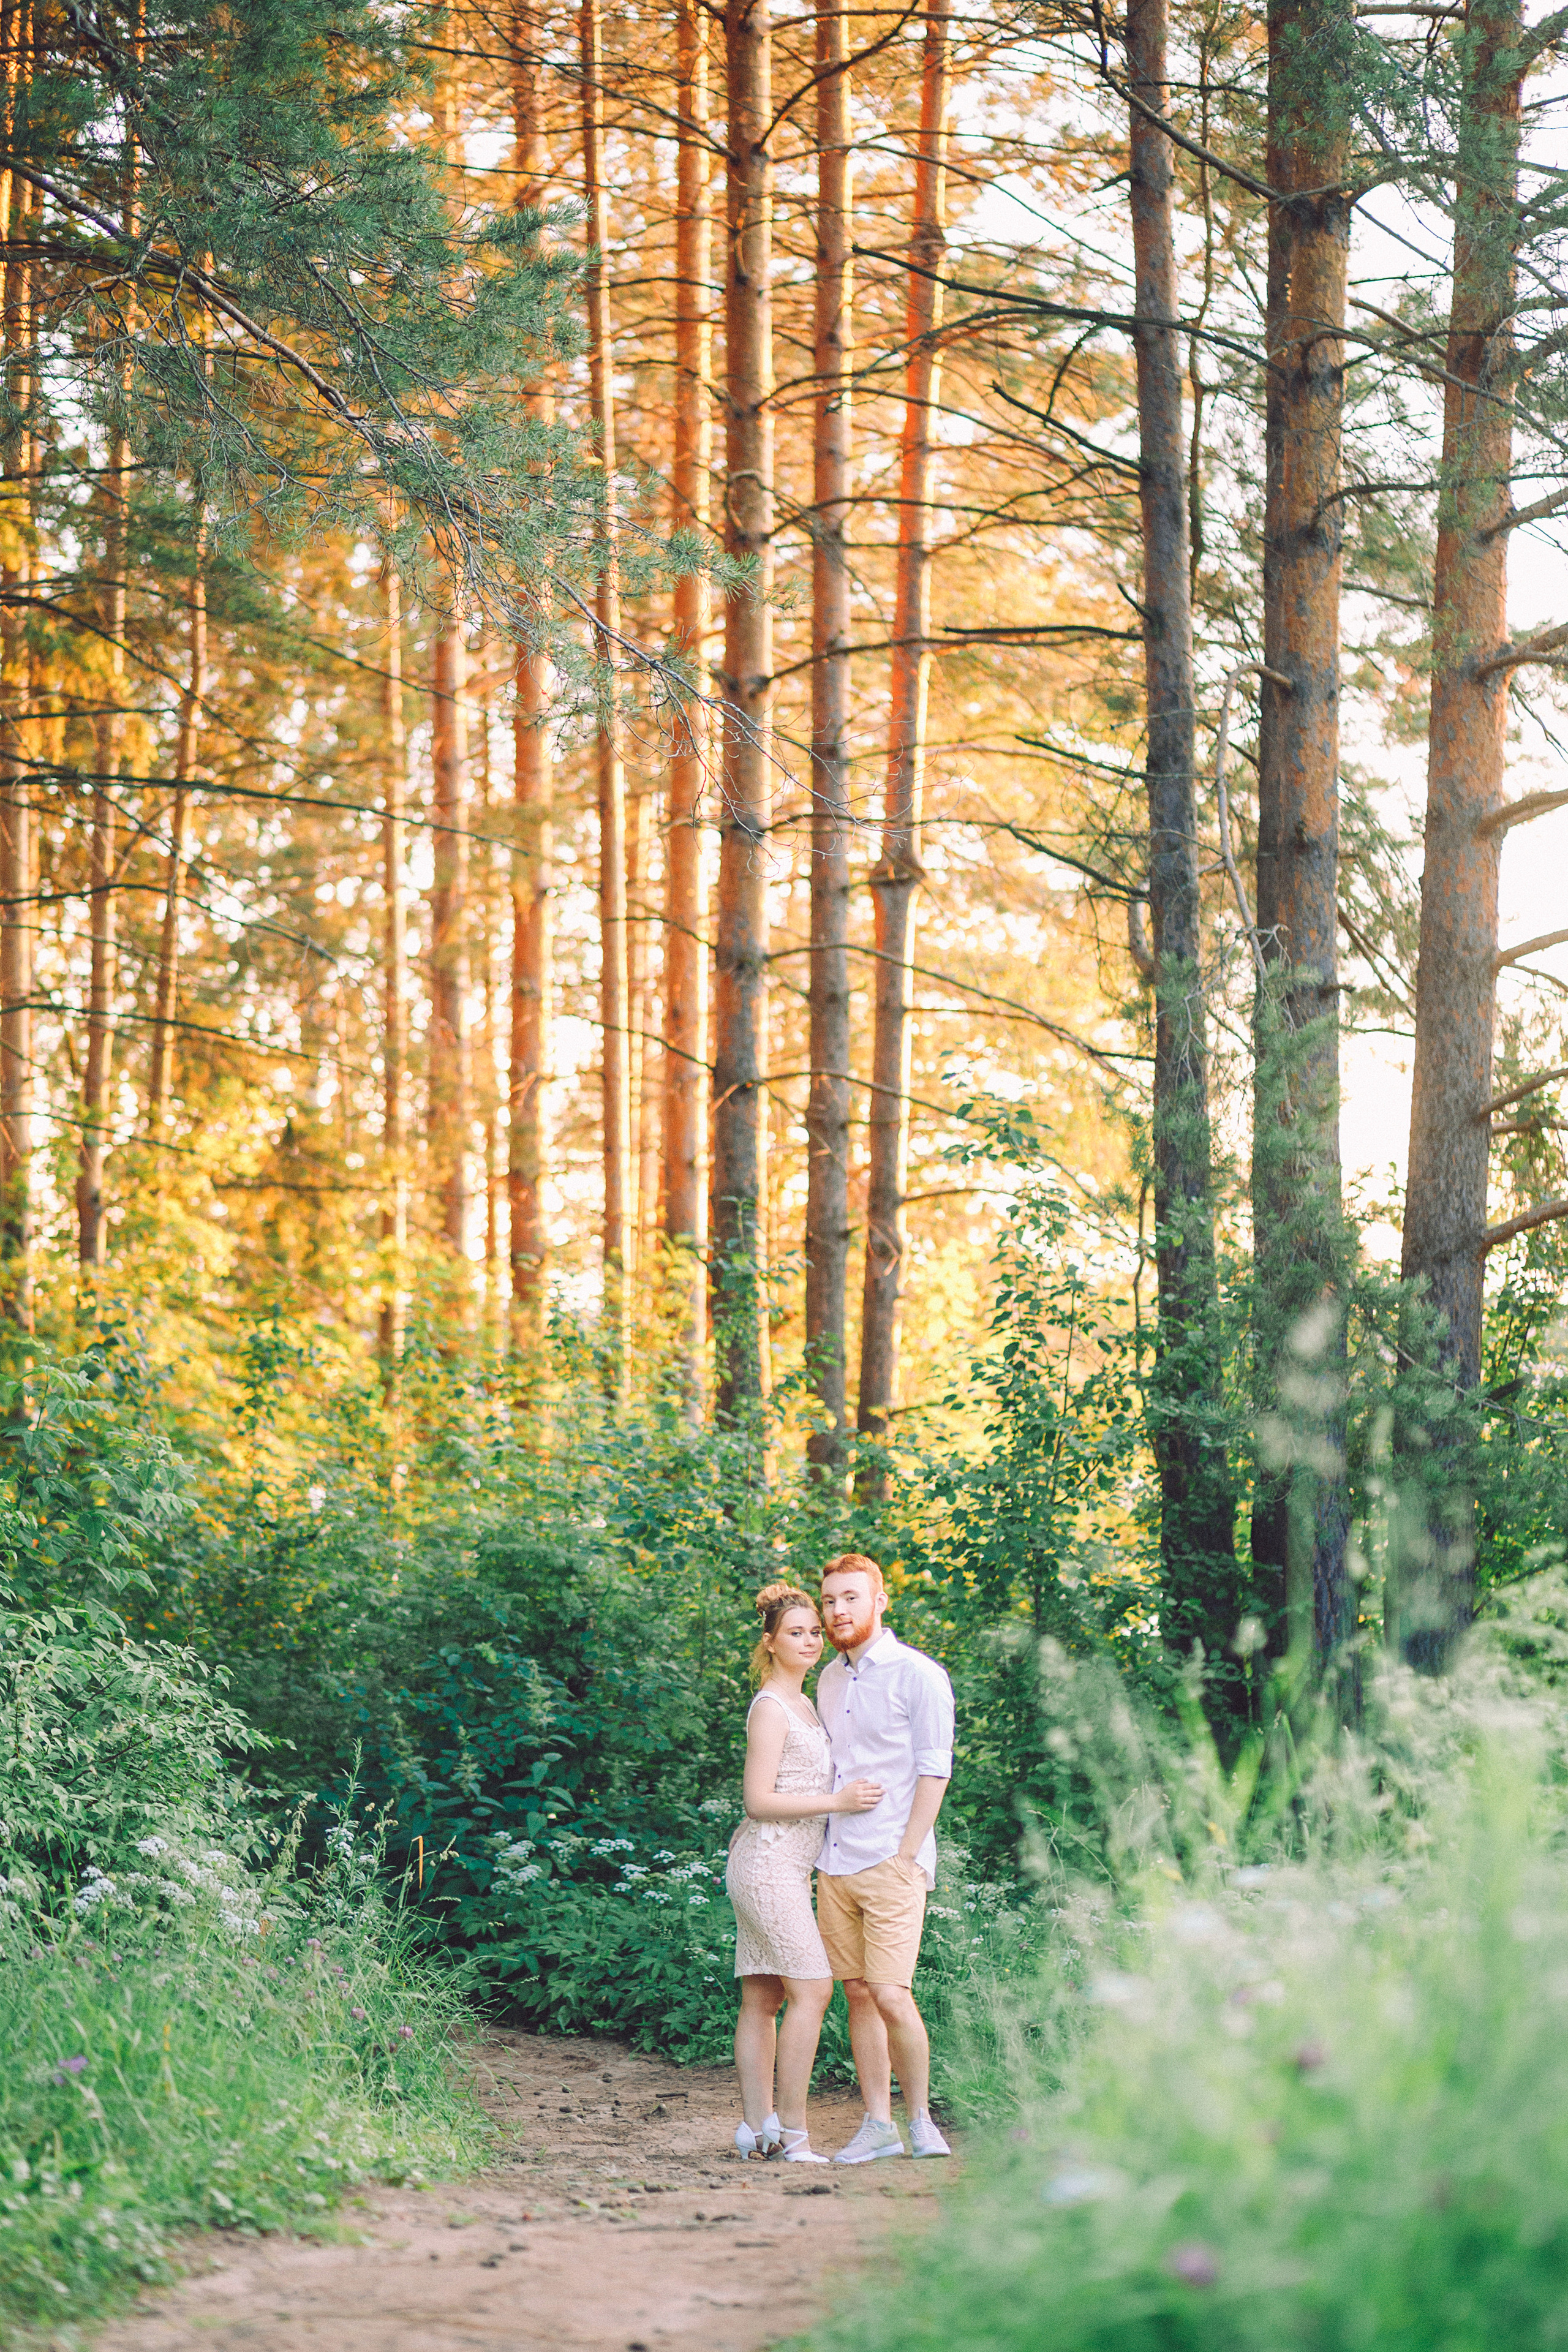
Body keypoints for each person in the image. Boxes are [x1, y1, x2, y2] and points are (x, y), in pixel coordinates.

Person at [725, 1581, 884, 2163]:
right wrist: (839, 1803)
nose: (811, 1640)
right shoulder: (770, 1707)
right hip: (766, 1863)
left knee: (763, 1996)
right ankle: (792, 2133)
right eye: (796, 1633)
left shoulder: (807, 1701)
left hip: (785, 1867)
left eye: (815, 1631)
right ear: (770, 1643)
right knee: (813, 1989)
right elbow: (758, 1801)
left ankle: (753, 2128)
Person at [815, 1551, 955, 2162]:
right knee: (857, 1994)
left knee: (892, 1993)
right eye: (829, 1600)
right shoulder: (828, 1680)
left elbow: (934, 1769)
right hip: (836, 1861)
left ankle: (920, 2120)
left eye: (850, 1597)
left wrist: (906, 1855)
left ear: (879, 1600)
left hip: (892, 1860)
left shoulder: (916, 1674)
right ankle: (878, 2124)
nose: (838, 1610)